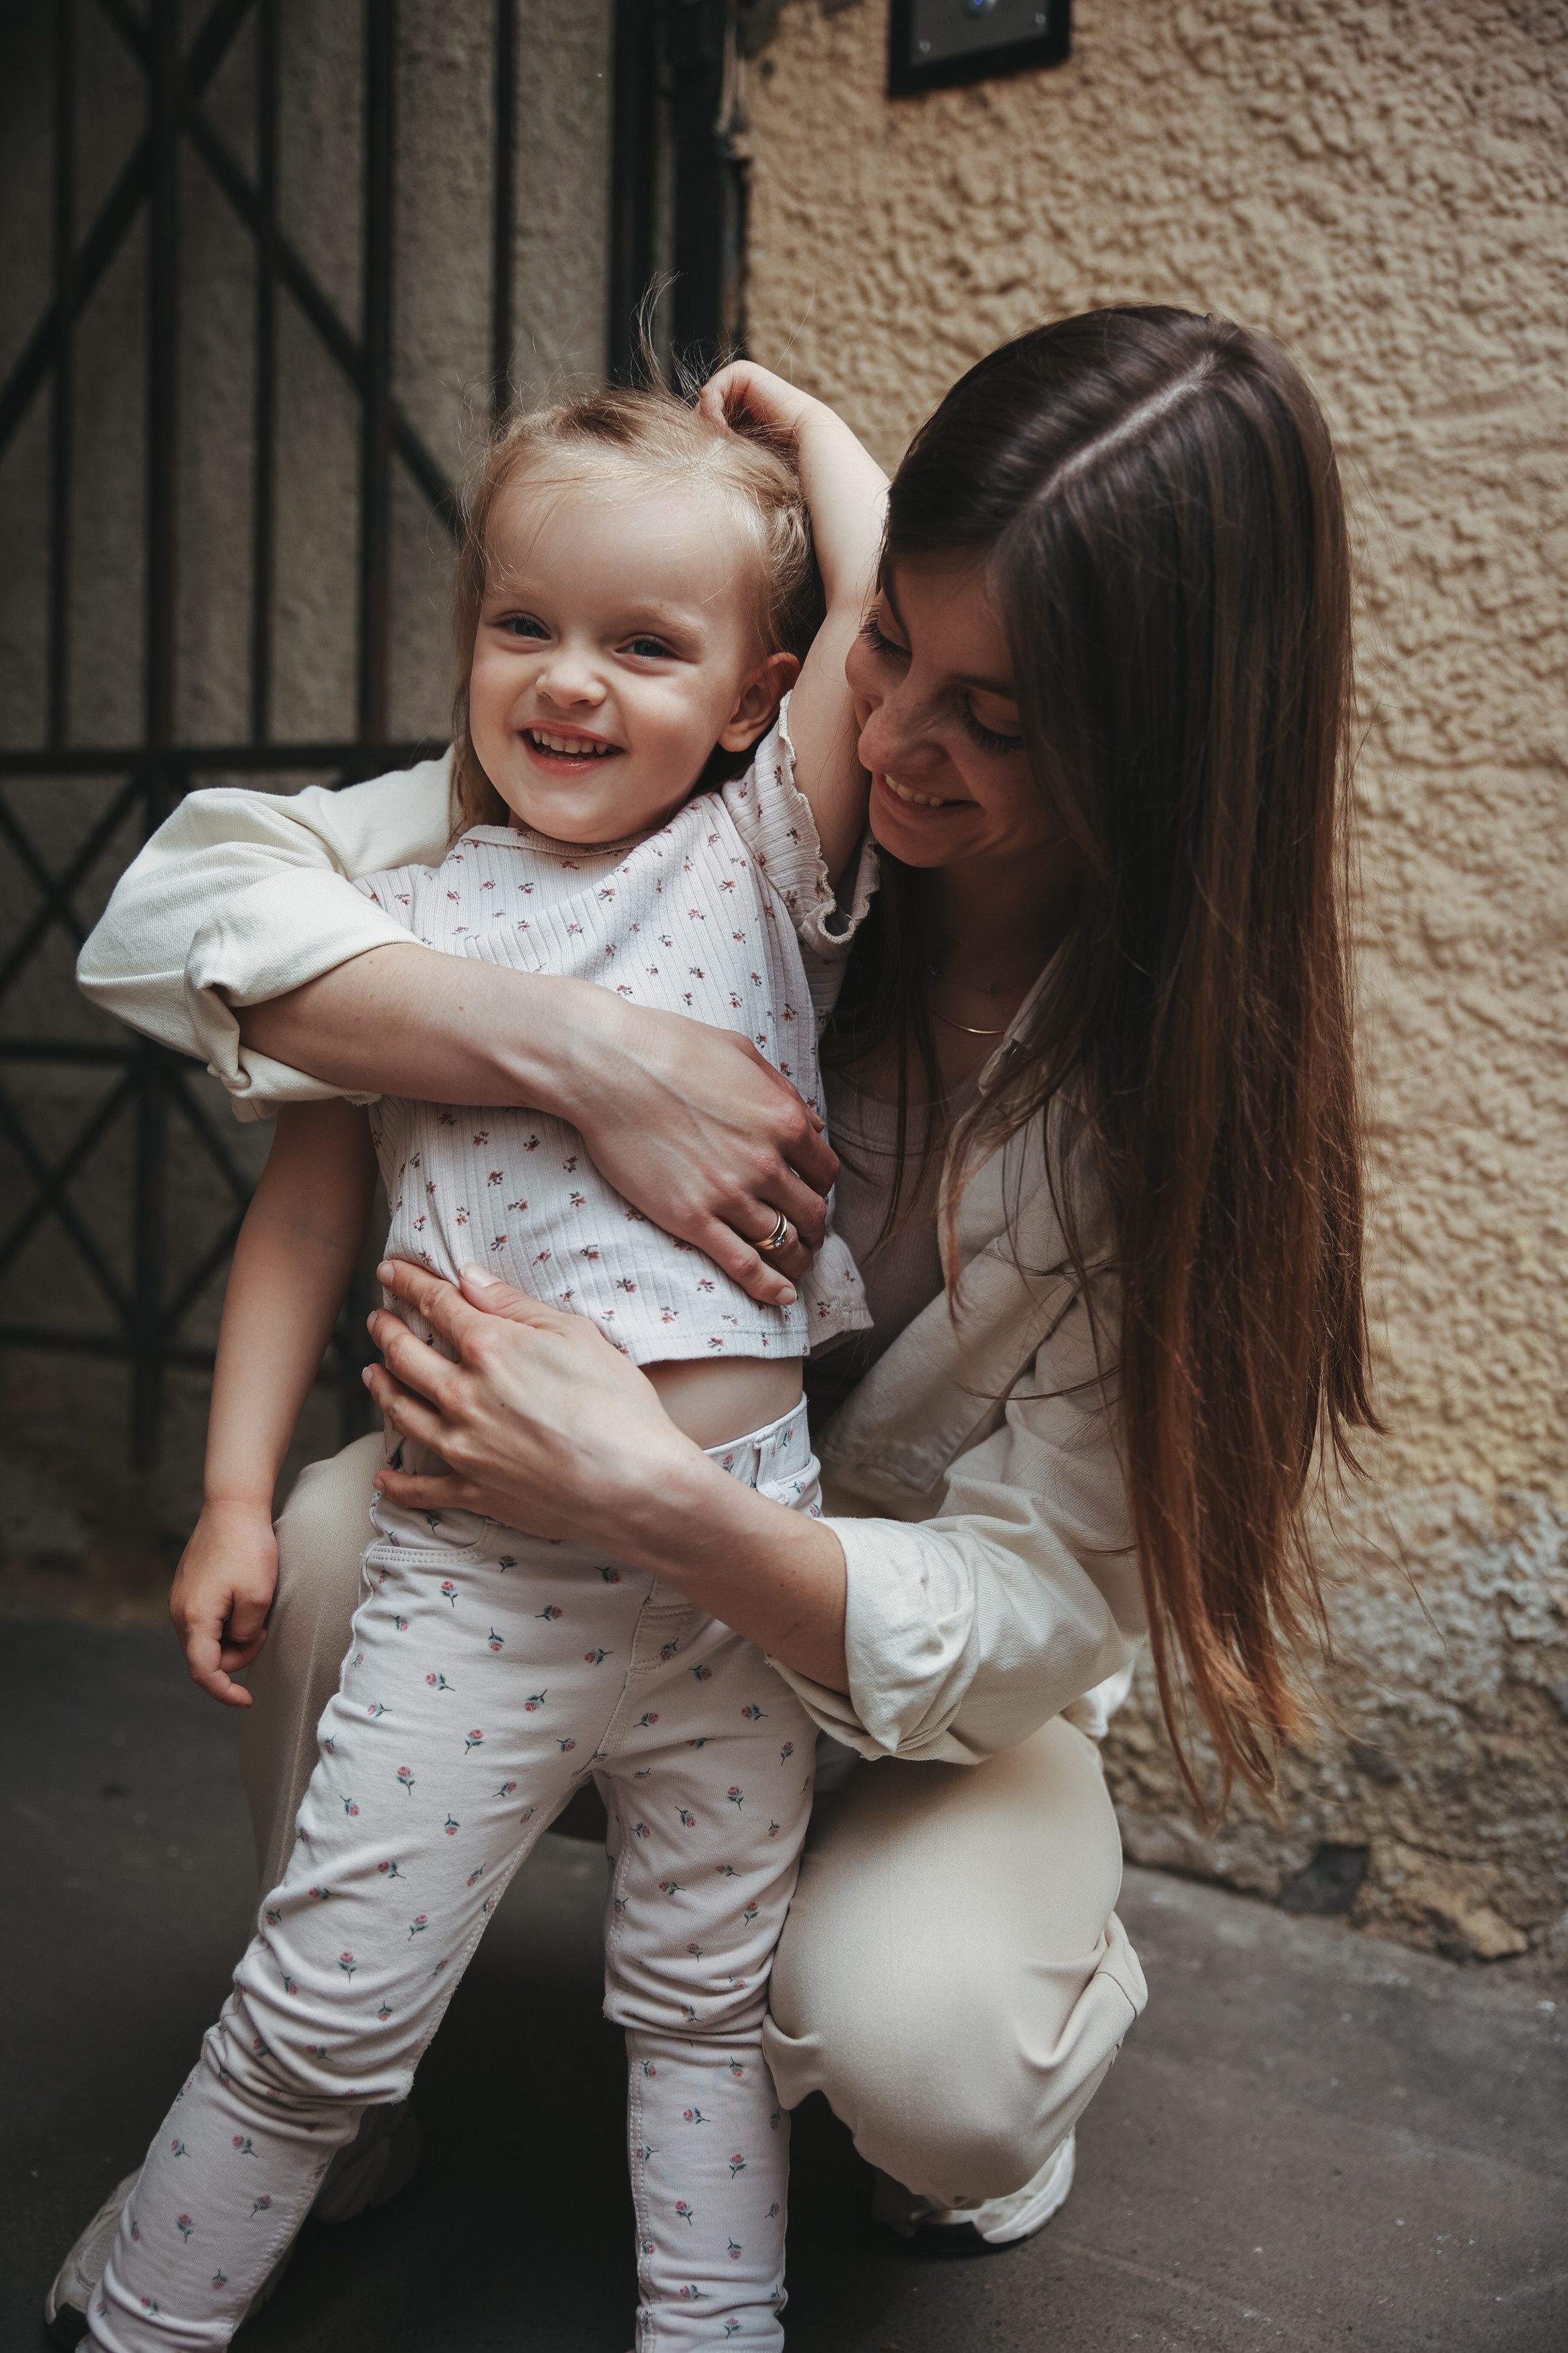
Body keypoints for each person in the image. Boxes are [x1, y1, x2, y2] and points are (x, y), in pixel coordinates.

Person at [53, 307, 1374, 2345]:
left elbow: (1050, 1599)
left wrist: (670, 1509)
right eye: (890, 655)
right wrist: (587, 1051)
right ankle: (266, 2175)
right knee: (327, 1576)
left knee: (858, 2035)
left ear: (1158, 751)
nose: (903, 737)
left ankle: (964, 2050)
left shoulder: (921, 943)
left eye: (998, 720)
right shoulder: (603, 834)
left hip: (864, 1660)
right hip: (510, 1580)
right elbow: (188, 915)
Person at [73, 368, 891, 2353]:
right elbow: (302, 1222)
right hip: (479, 1587)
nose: (571, 681)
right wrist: (238, 1495)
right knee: (325, 2009)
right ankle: (143, 2317)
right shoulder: (392, 927)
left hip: (736, 1572)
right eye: (525, 623)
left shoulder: (762, 861)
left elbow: (880, 613)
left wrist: (810, 434)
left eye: (647, 645)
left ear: (757, 698)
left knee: (702, 2008)